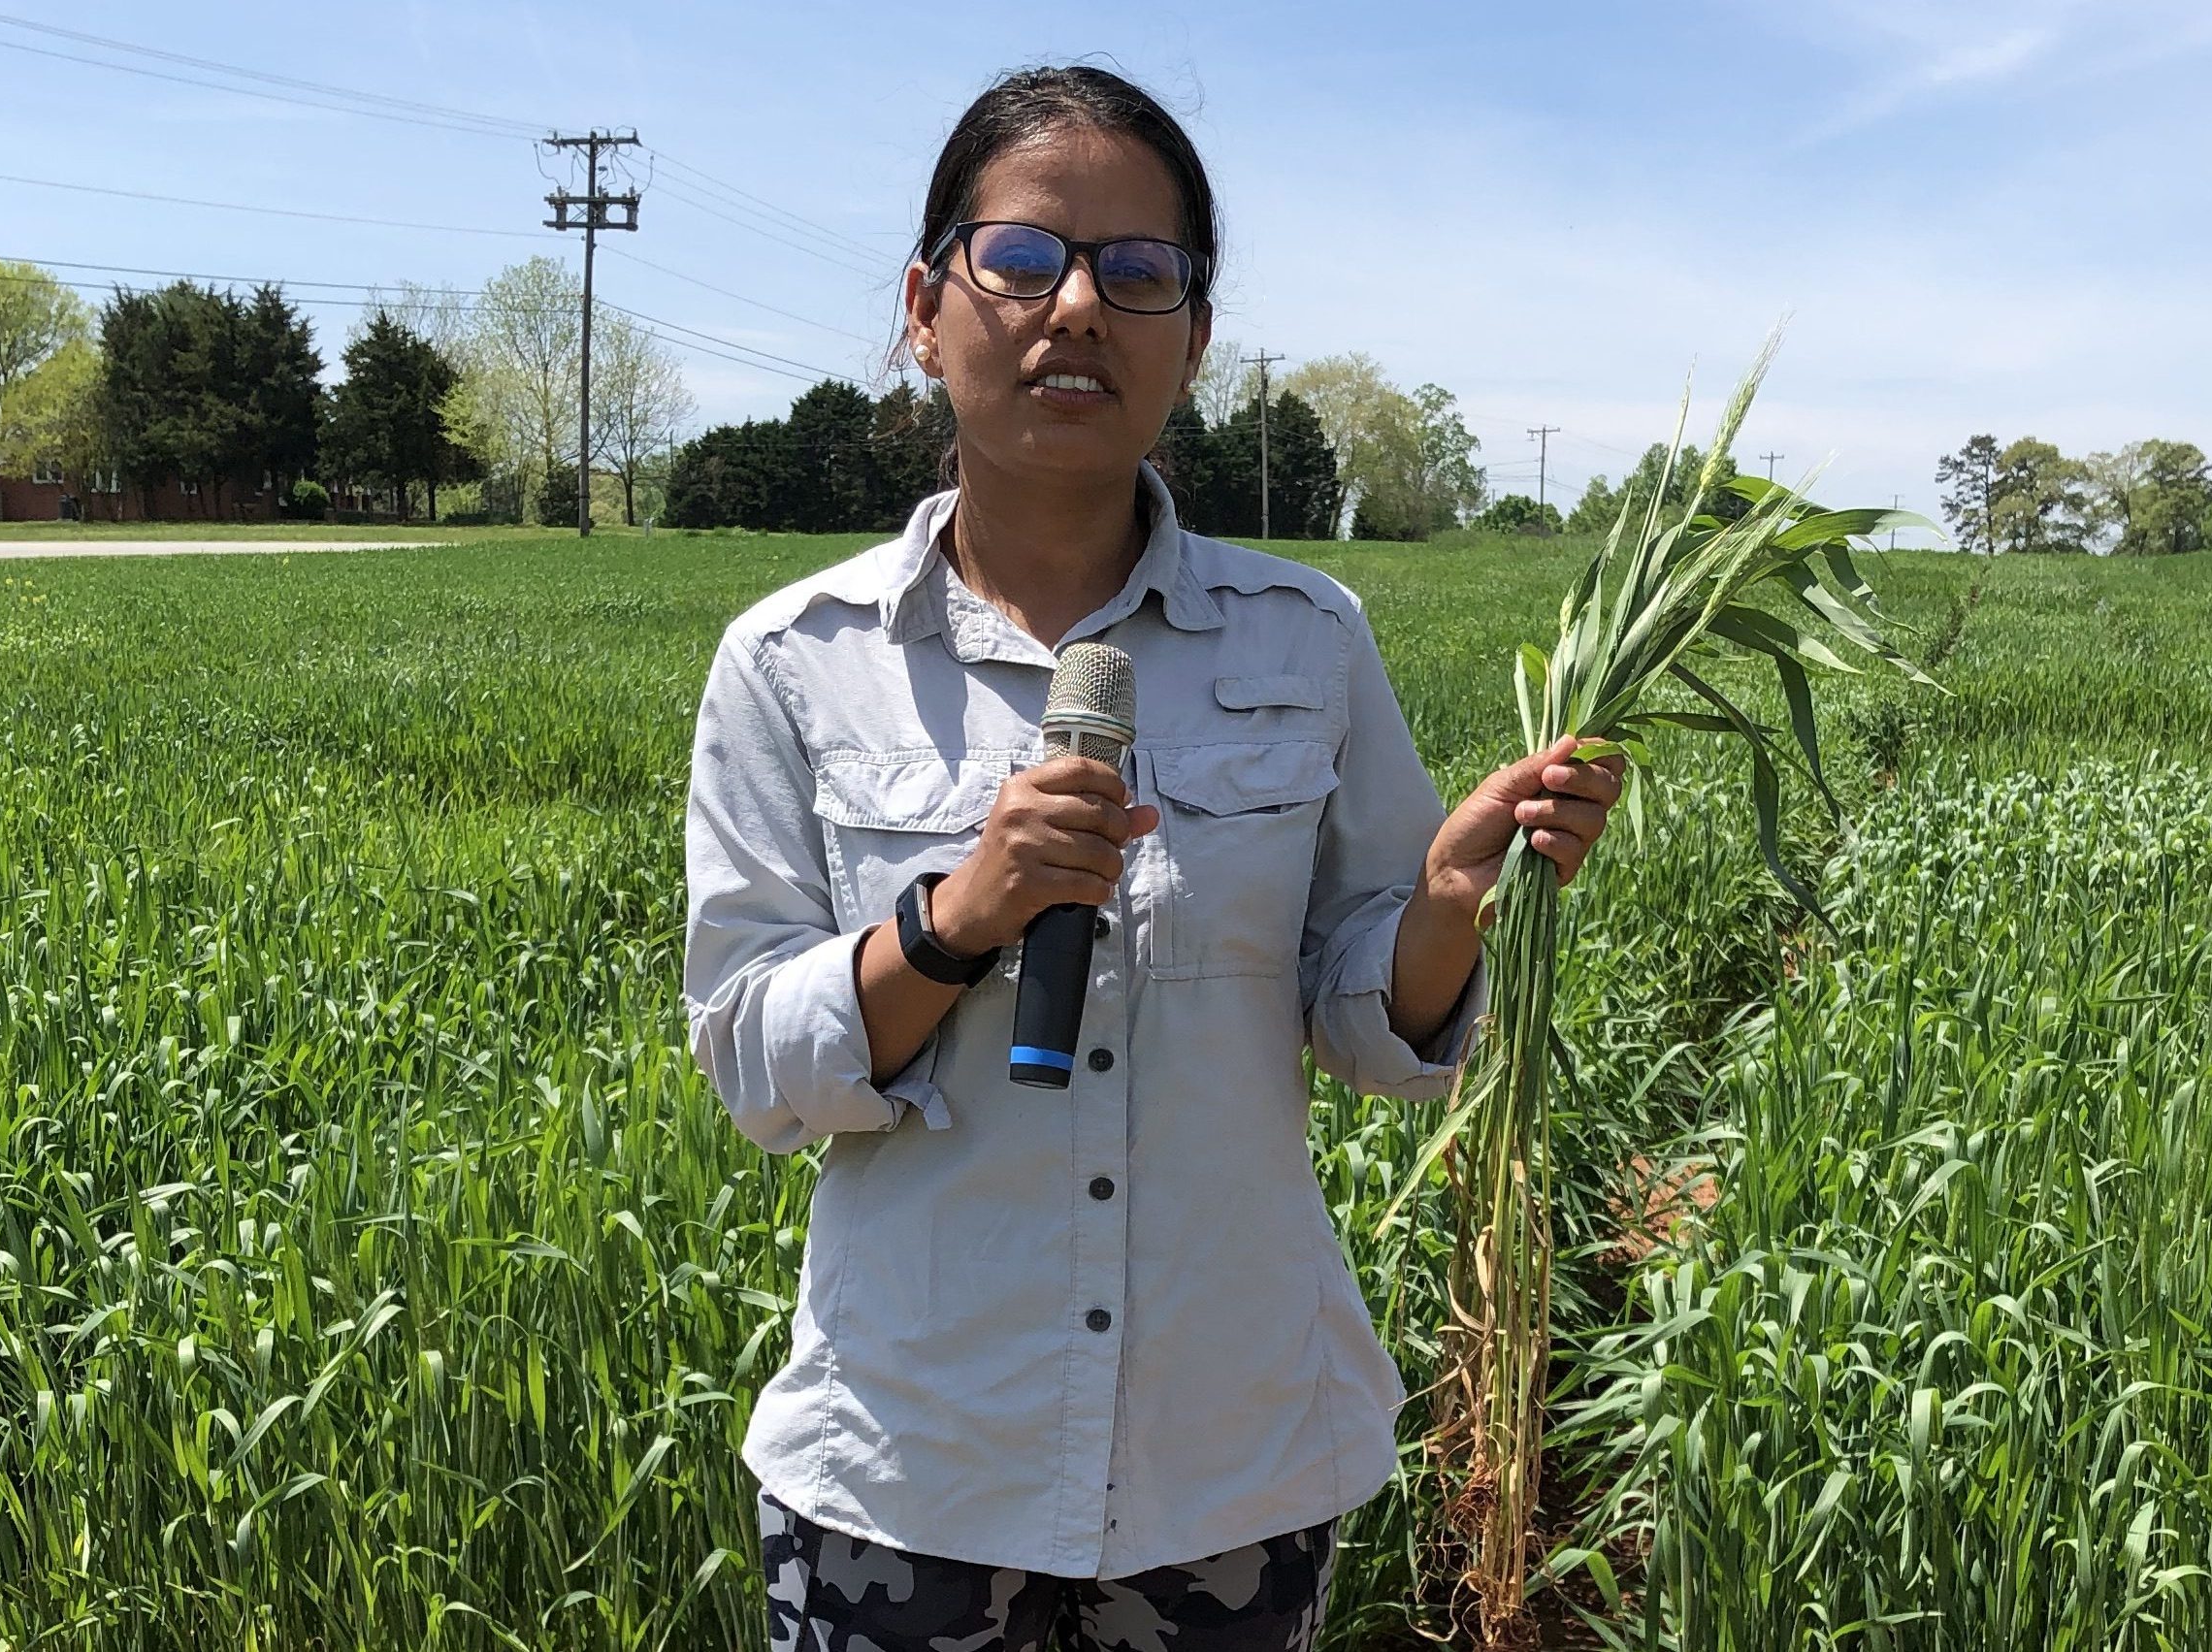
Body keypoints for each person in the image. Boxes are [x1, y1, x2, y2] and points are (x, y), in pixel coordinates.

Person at [683, 64, 1623, 1652]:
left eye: (1140, 273)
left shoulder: (1306, 639)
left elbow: (1363, 1019)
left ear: (1191, 336)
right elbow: (751, 1069)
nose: (1078, 313)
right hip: (909, 1470)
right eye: (1025, 259)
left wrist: (1448, 907)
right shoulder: (795, 659)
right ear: (927, 306)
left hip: (1229, 1463)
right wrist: (959, 920)